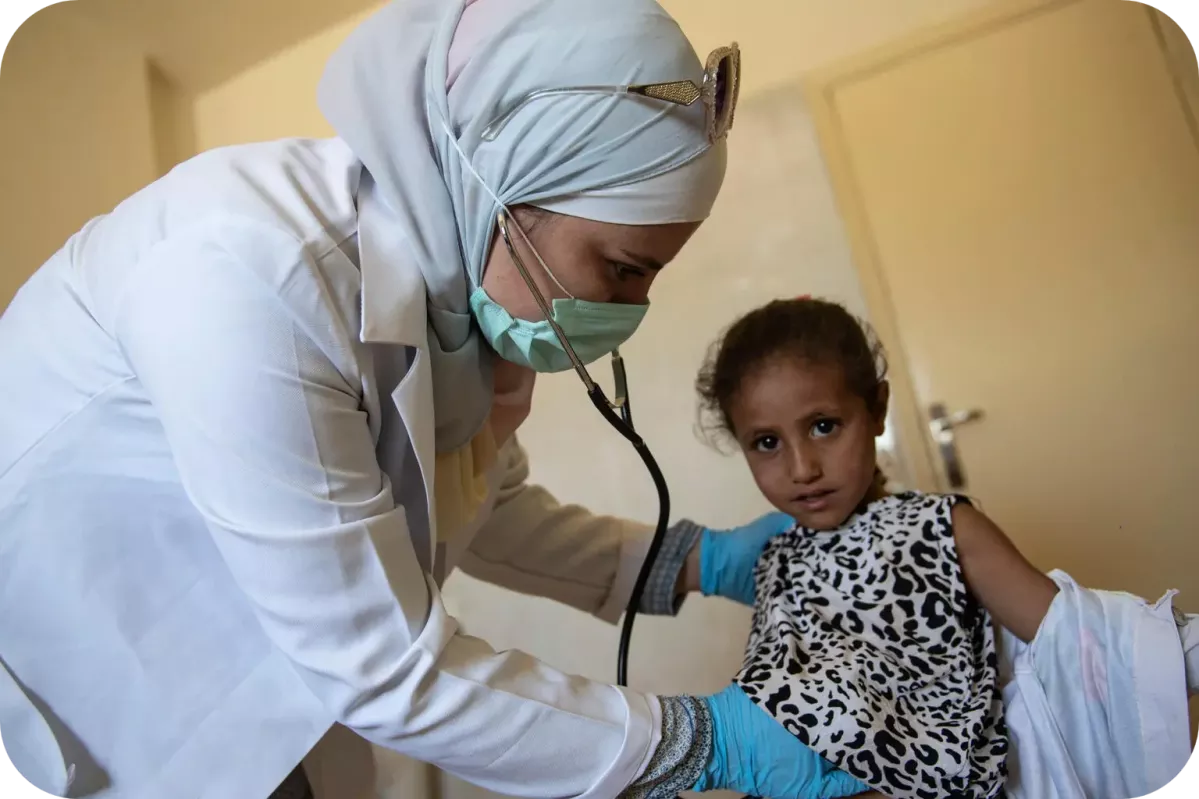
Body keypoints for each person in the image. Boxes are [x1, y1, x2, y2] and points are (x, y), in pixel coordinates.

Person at [0, 2, 863, 799]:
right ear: (501, 181)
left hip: (253, 715)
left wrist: (693, 562)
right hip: (85, 719)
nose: (628, 314)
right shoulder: (248, 268)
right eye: (621, 268)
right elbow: (381, 666)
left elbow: (493, 512)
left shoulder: (456, 323)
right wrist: (697, 740)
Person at [693, 297, 1062, 798]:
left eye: (823, 425)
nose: (802, 469)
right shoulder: (773, 560)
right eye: (766, 442)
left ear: (877, 409)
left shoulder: (943, 529)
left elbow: (1076, 641)